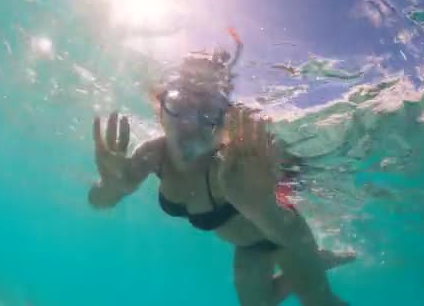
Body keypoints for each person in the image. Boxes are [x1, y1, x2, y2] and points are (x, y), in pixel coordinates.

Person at [87, 30, 354, 305]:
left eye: (208, 111)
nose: (190, 123)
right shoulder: (154, 155)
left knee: (319, 300)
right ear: (160, 111)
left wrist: (264, 207)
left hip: (286, 239)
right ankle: (311, 267)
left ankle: (311, 264)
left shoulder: (227, 168)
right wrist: (111, 188)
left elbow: (295, 232)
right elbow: (98, 202)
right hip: (248, 247)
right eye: (179, 104)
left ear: (224, 122)